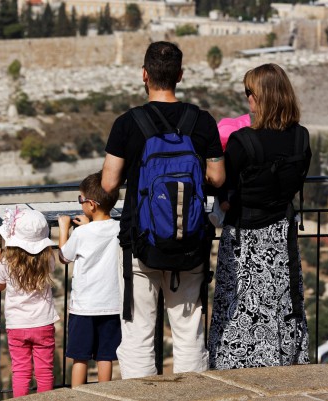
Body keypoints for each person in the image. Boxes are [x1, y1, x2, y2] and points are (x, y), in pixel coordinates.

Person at [101, 41, 225, 379]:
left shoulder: (128, 124)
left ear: (144, 75)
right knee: (189, 334)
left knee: (138, 335)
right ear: (180, 76)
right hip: (190, 242)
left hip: (140, 243)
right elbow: (217, 176)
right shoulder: (201, 121)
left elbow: (110, 184)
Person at [208, 63, 311, 369]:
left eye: (249, 93)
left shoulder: (243, 142)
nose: (247, 100)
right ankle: (284, 362)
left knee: (238, 307)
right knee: (282, 304)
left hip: (245, 240)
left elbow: (221, 182)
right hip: (282, 235)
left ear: (261, 97)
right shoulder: (301, 138)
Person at [57, 171, 121, 387]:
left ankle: (77, 395)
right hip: (111, 304)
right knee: (105, 355)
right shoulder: (119, 228)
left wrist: (65, 229)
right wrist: (89, 225)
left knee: (80, 356)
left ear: (91, 205)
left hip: (84, 306)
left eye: (81, 200)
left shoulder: (82, 234)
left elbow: (64, 256)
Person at [0, 208, 59, 396]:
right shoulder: (47, 260)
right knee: (44, 372)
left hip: (17, 325)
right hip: (43, 323)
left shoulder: (7, 263)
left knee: (20, 371)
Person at [208, 114, 251, 228]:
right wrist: (223, 200)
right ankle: (214, 216)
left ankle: (211, 217)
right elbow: (222, 182)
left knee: (210, 205)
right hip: (226, 196)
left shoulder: (215, 157)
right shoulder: (231, 159)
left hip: (213, 195)